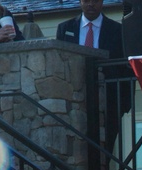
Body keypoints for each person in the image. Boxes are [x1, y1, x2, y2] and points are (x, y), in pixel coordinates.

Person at [55, 0, 129, 157]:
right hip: (74, 103)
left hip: (108, 105)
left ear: (102, 2)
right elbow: (59, 66)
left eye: (95, 0)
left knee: (103, 156)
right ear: (80, 1)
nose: (91, 4)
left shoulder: (117, 30)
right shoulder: (65, 28)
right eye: (86, 0)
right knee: (75, 154)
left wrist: (123, 105)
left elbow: (126, 70)